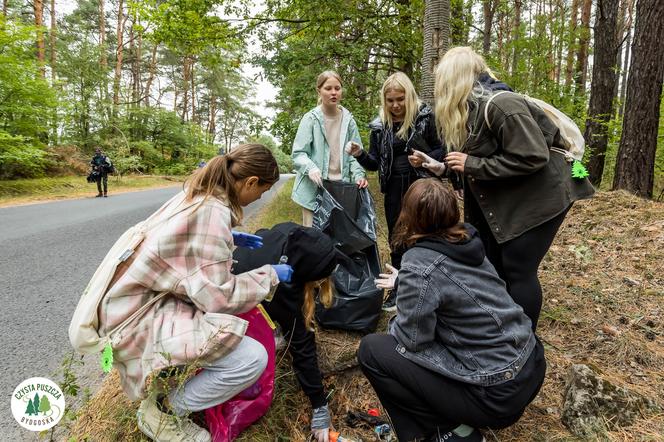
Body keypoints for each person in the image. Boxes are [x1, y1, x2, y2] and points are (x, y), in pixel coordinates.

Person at [97, 144, 293, 442]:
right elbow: (219, 299)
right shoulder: (212, 214)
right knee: (251, 359)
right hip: (134, 319)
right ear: (251, 182)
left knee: (225, 336)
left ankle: (165, 391)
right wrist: (269, 276)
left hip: (131, 302)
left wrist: (227, 237)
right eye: (262, 192)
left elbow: (179, 248)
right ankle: (163, 413)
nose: (259, 198)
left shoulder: (200, 194)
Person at [409, 46, 594, 330]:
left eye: (441, 81)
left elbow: (532, 155)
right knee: (494, 262)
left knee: (518, 267)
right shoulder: (471, 112)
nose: (439, 90)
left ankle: (523, 342)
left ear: (454, 79)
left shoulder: (500, 105)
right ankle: (501, 329)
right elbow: (476, 160)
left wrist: (473, 165)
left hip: (545, 196)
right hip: (518, 195)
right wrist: (443, 168)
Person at [357, 178, 546, 442]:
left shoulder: (419, 265)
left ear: (408, 217)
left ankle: (445, 432)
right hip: (531, 366)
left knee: (372, 350)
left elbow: (412, 339)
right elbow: (455, 285)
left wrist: (408, 293)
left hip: (497, 395)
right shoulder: (467, 240)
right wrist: (406, 282)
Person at [232, 222, 348, 442]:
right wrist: (319, 405)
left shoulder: (291, 233)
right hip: (237, 303)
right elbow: (302, 347)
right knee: (264, 341)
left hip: (248, 261)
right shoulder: (283, 291)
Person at [346, 72, 444, 311]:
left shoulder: (425, 118)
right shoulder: (379, 126)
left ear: (409, 97)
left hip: (422, 186)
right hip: (393, 189)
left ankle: (430, 287)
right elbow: (374, 163)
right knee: (397, 239)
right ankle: (399, 289)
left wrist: (426, 160)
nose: (396, 105)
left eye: (400, 99)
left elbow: (443, 149)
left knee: (425, 234)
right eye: (390, 101)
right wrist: (359, 154)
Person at [291, 70, 368, 227]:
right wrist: (310, 168)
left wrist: (359, 175)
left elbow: (356, 155)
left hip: (342, 189)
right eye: (328, 88)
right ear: (319, 90)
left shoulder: (349, 121)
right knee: (314, 240)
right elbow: (298, 154)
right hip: (314, 190)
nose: (333, 93)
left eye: (337, 88)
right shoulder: (310, 119)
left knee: (339, 240)